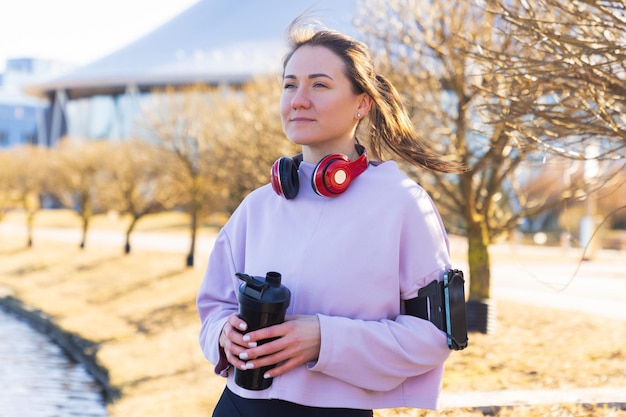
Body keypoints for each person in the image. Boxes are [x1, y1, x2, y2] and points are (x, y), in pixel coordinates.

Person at [196, 16, 464, 417]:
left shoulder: (403, 204)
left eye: (319, 84)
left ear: (362, 103)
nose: (298, 99)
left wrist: (324, 339)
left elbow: (435, 336)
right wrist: (222, 334)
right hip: (237, 406)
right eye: (290, 85)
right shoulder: (257, 205)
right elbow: (213, 306)